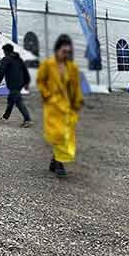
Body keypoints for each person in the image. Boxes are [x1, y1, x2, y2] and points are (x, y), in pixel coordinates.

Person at [35, 34, 84, 178]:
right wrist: (47, 95)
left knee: (65, 135)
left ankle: (56, 161)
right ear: (57, 50)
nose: (66, 54)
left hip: (67, 106)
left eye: (68, 52)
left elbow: (76, 86)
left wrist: (77, 101)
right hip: (53, 106)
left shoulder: (72, 67)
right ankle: (58, 162)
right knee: (57, 134)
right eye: (64, 51)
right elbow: (40, 81)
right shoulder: (47, 65)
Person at [0, 43, 32, 127]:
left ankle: (27, 120)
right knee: (11, 100)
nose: (4, 53)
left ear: (6, 51)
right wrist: (26, 82)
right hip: (20, 83)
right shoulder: (19, 59)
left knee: (18, 101)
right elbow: (25, 71)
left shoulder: (6, 59)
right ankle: (5, 117)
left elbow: (1, 71)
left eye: (4, 51)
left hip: (13, 83)